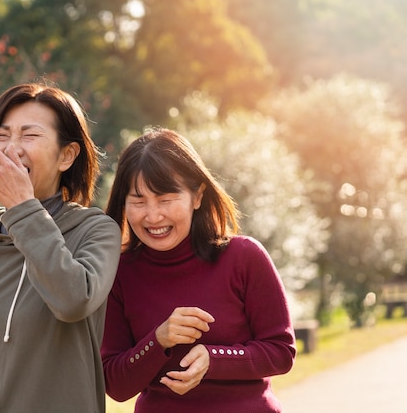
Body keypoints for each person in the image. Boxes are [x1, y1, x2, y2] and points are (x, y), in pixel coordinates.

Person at [0, 83, 121, 413]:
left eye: (30, 136)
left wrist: (22, 205)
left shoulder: (95, 231)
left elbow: (73, 299)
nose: (12, 148)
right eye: (1, 136)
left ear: (67, 155)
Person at [102, 128, 296, 412]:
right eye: (139, 201)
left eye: (166, 199)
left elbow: (281, 352)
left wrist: (214, 357)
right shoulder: (118, 273)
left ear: (197, 196)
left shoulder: (243, 257)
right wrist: (158, 340)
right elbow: (116, 385)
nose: (153, 216)